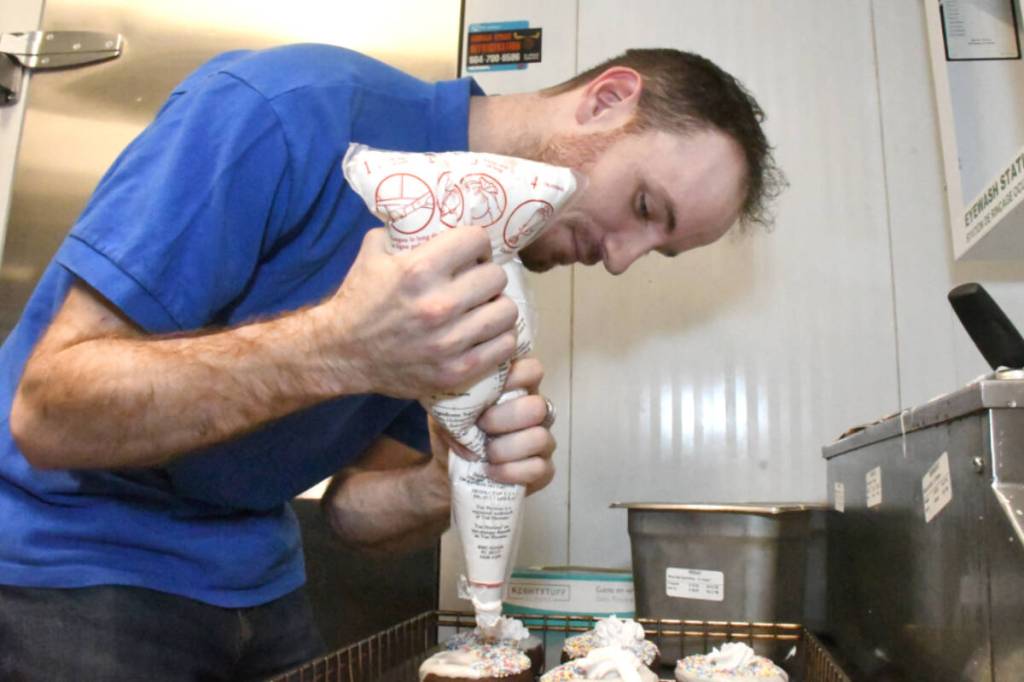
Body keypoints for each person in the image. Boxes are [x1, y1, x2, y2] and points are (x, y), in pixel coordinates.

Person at [0, 43, 781, 681]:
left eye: (658, 252)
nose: (620, 259)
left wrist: (447, 482)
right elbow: (46, 413)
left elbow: (350, 514)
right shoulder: (279, 110)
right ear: (607, 98)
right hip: (67, 564)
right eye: (645, 209)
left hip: (261, 578)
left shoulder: (486, 271)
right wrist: (341, 348)